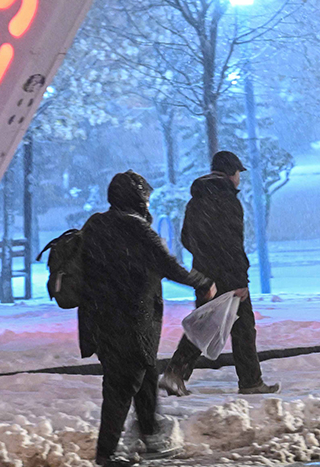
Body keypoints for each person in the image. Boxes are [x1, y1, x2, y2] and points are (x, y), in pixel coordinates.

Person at [80, 170, 216, 466]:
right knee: (121, 386)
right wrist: (202, 282)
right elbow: (168, 264)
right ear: (137, 199)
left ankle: (151, 433)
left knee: (143, 375)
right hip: (129, 321)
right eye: (146, 198)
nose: (148, 203)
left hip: (102, 320)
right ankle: (106, 455)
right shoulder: (135, 229)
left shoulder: (96, 225)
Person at [159, 151, 279, 396]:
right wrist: (239, 281)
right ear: (231, 172)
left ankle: (175, 374)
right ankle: (250, 382)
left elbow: (186, 238)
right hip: (228, 277)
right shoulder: (227, 200)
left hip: (204, 277)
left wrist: (204, 264)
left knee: (204, 325)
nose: (239, 180)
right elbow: (232, 243)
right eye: (238, 174)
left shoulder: (196, 200)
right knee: (243, 328)